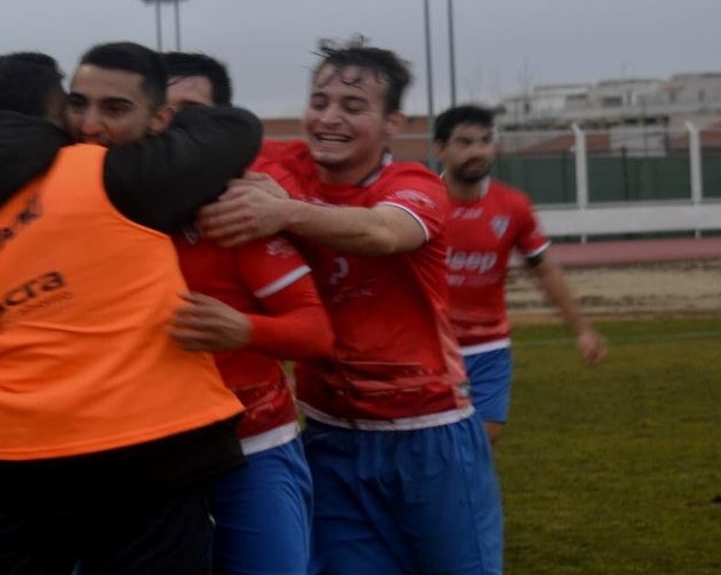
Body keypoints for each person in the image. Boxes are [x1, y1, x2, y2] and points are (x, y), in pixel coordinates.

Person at [0, 49, 333, 575]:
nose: (90, 125)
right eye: (79, 106)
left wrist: (242, 328)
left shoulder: (233, 213)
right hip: (130, 461)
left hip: (251, 445)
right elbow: (5, 330)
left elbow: (315, 332)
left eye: (115, 109)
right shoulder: (65, 211)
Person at [198, 40, 503, 574]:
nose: (329, 118)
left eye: (354, 107)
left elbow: (382, 233)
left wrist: (284, 212)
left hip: (429, 435)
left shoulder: (414, 185)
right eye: (319, 102)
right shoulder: (282, 164)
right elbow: (183, 156)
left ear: (392, 124)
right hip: (329, 437)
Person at [433, 104, 606, 444]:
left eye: (484, 141)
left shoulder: (512, 206)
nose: (477, 151)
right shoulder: (420, 202)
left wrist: (582, 329)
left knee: (483, 438)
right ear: (441, 148)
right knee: (436, 444)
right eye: (464, 142)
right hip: (430, 345)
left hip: (489, 345)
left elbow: (544, 271)